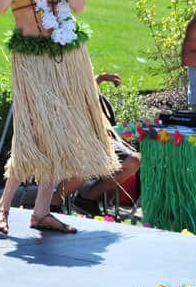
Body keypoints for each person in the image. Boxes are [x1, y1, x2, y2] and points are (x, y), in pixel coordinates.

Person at [0, 0, 119, 235]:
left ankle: (41, 210)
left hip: (65, 57)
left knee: (56, 131)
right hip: (31, 58)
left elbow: (78, 5)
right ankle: (2, 207)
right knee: (32, 129)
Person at [49, 73, 141, 217]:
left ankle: (87, 198)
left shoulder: (78, 80)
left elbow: (86, 89)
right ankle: (53, 204)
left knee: (134, 161)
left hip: (99, 139)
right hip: (71, 140)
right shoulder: (52, 87)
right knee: (90, 160)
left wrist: (101, 78)